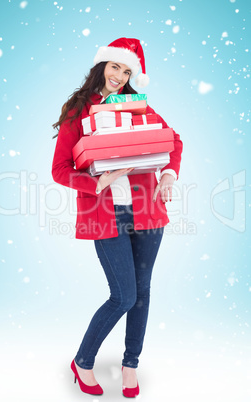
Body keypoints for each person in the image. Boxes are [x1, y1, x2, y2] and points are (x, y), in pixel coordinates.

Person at [52, 37, 183, 398]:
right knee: (123, 296)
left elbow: (174, 141)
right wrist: (97, 181)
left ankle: (130, 364)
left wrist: (169, 174)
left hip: (148, 211)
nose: (119, 75)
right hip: (104, 213)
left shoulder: (139, 107)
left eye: (127, 71)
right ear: (102, 67)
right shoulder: (78, 111)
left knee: (141, 294)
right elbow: (60, 169)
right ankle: (83, 362)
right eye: (115, 67)